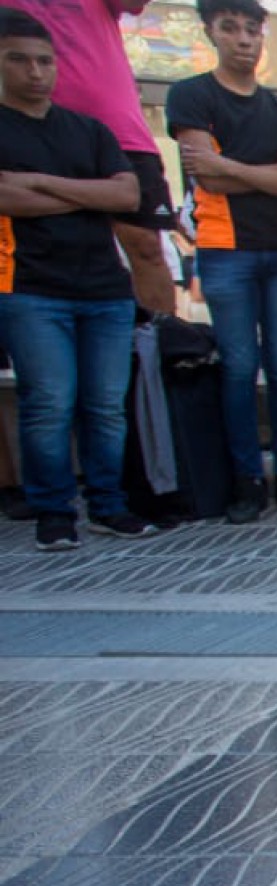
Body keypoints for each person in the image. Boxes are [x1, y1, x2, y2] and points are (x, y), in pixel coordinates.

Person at [165, 0, 277, 523]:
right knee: (238, 366)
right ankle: (245, 478)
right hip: (223, 247)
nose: (242, 39)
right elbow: (205, 177)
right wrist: (266, 173)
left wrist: (230, 165)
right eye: (230, 28)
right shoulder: (190, 95)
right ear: (211, 32)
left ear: (263, 35)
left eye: (251, 29)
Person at [0, 5, 152, 550]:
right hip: (30, 288)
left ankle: (108, 506)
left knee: (105, 406)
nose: (36, 72)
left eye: (45, 61)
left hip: (105, 289)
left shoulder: (88, 129)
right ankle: (53, 511)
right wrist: (84, 194)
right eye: (20, 61)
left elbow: (126, 195)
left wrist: (39, 184)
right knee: (49, 403)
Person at [19, 0, 177, 315]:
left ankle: (161, 350)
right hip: (32, 130)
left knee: (145, 246)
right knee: (43, 252)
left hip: (120, 130)